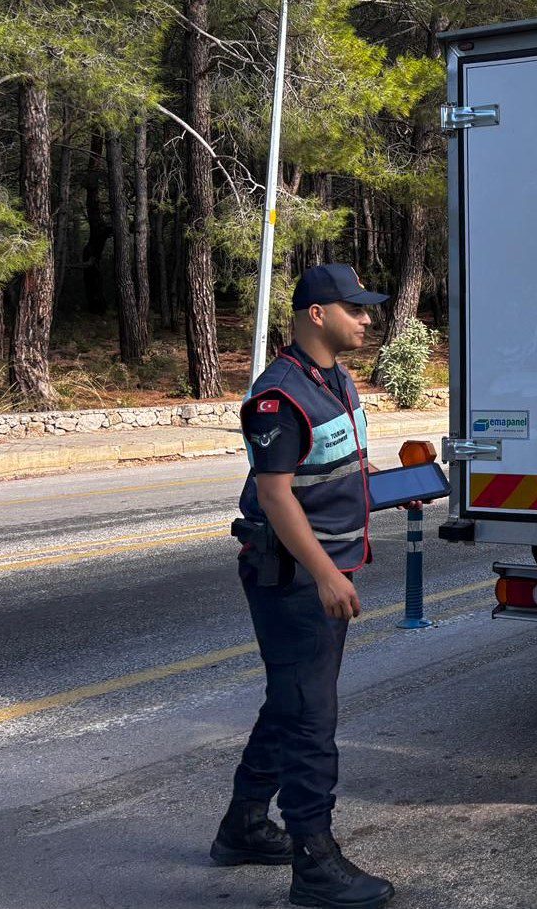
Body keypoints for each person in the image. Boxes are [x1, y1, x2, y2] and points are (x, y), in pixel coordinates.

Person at [211, 264, 396, 909]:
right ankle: (314, 862)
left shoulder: (335, 380)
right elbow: (275, 495)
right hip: (293, 579)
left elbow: (329, 468)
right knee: (311, 718)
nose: (366, 319)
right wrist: (324, 574)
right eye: (355, 308)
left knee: (290, 702)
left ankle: (243, 826)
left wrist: (379, 483)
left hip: (322, 570)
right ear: (317, 314)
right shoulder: (279, 395)